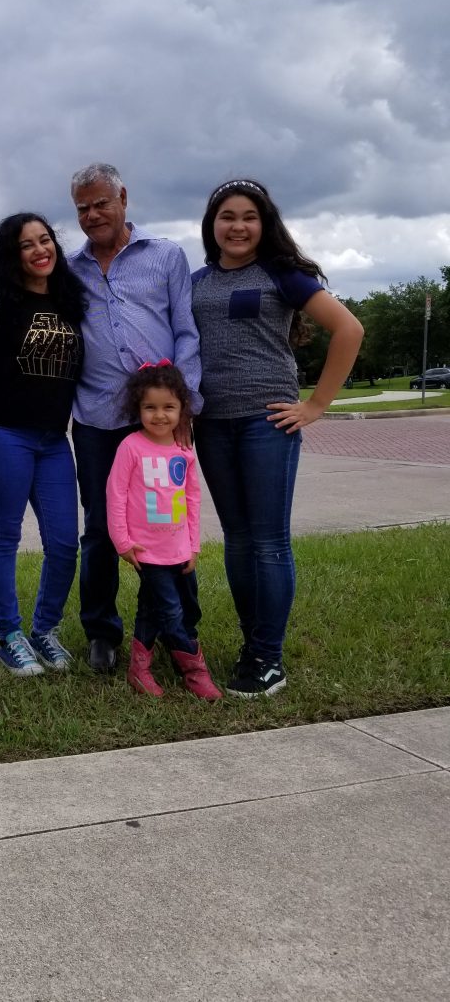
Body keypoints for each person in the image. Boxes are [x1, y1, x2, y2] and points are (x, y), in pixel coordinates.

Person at [192, 178, 363, 698]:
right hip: (212, 424)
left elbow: (349, 329)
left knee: (267, 541)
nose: (237, 226)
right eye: (227, 216)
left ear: (264, 224)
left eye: (248, 216)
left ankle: (268, 656)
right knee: (238, 540)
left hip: (267, 423)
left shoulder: (282, 275)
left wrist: (315, 405)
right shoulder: (197, 281)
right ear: (212, 225)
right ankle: (252, 642)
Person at [67, 163, 202, 674]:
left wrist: (182, 407)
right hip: (99, 419)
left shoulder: (166, 256)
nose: (93, 214)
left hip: (162, 420)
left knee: (169, 523)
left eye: (101, 202)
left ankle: (176, 630)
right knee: (102, 528)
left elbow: (186, 332)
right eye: (82, 207)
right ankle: (102, 632)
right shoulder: (70, 267)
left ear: (123, 197)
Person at [0, 213, 86, 676]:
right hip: (3, 432)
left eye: (45, 240)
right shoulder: (0, 302)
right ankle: (9, 635)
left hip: (53, 437)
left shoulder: (70, 300)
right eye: (27, 245)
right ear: (11, 254)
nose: (40, 250)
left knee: (64, 542)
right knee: (5, 535)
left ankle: (44, 629)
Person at [106, 361, 221, 700]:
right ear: (137, 408)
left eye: (168, 407)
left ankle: (139, 669)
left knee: (157, 607)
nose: (159, 415)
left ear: (182, 409)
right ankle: (194, 671)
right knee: (172, 611)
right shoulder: (131, 447)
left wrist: (193, 544)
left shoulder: (183, 449)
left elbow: (193, 498)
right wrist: (122, 541)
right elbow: (116, 494)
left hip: (179, 547)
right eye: (150, 408)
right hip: (145, 549)